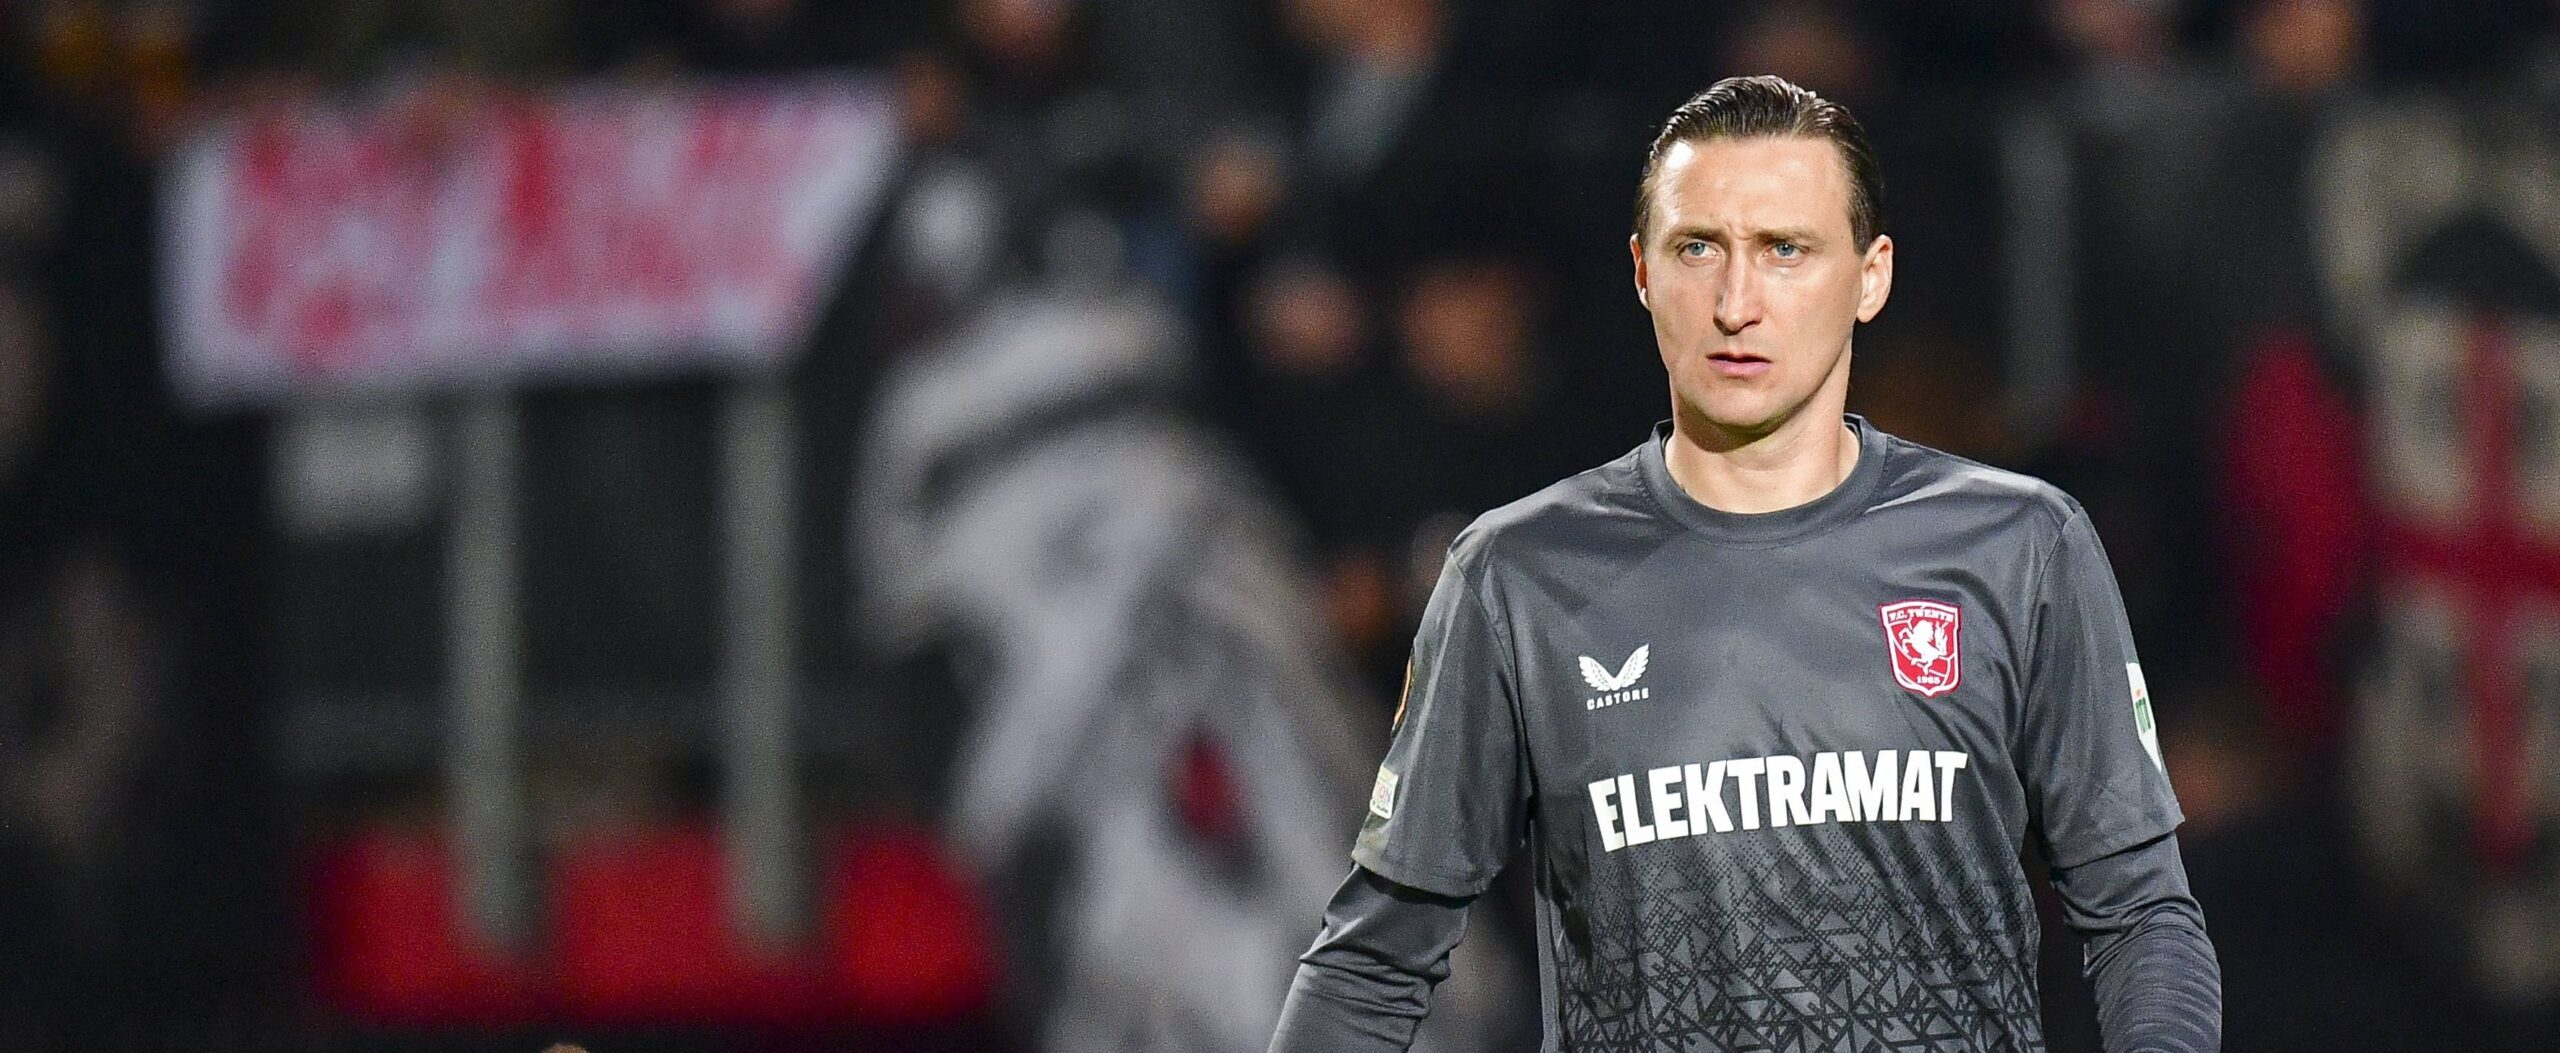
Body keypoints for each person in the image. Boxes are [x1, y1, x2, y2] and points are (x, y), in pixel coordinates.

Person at [1267, 75, 2220, 1052]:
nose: (1734, 303)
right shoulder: (1518, 576)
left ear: (1869, 275)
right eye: (1697, 250)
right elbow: (1379, 953)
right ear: (1642, 273)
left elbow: (2139, 909)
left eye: (1785, 251)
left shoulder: (2021, 549)